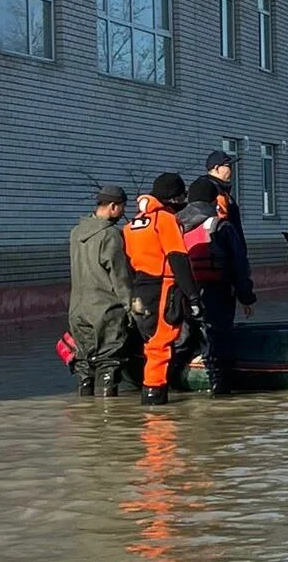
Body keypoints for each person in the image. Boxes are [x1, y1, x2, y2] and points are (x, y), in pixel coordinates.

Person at [123, 173, 202, 405]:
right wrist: (194, 297)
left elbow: (126, 263)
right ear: (173, 198)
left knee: (150, 343)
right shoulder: (165, 220)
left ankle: (151, 399)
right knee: (160, 346)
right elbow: (178, 258)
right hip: (163, 287)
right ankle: (155, 404)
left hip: (139, 289)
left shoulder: (132, 225)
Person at [177, 178, 257, 396]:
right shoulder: (221, 226)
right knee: (218, 339)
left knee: (183, 338)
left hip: (181, 293)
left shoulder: (175, 225)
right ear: (213, 200)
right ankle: (219, 387)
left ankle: (171, 383)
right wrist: (246, 297)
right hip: (216, 292)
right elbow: (239, 266)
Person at [68, 185, 134, 396]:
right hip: (105, 310)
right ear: (113, 206)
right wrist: (131, 307)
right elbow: (119, 277)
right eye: (122, 207)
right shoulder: (110, 235)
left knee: (84, 364)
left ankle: (86, 417)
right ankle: (107, 420)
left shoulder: (76, 233)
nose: (123, 212)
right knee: (109, 362)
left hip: (77, 311)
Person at [199, 150, 246, 252]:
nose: (231, 170)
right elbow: (221, 224)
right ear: (216, 168)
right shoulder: (213, 191)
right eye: (228, 166)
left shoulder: (221, 190)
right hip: (223, 252)